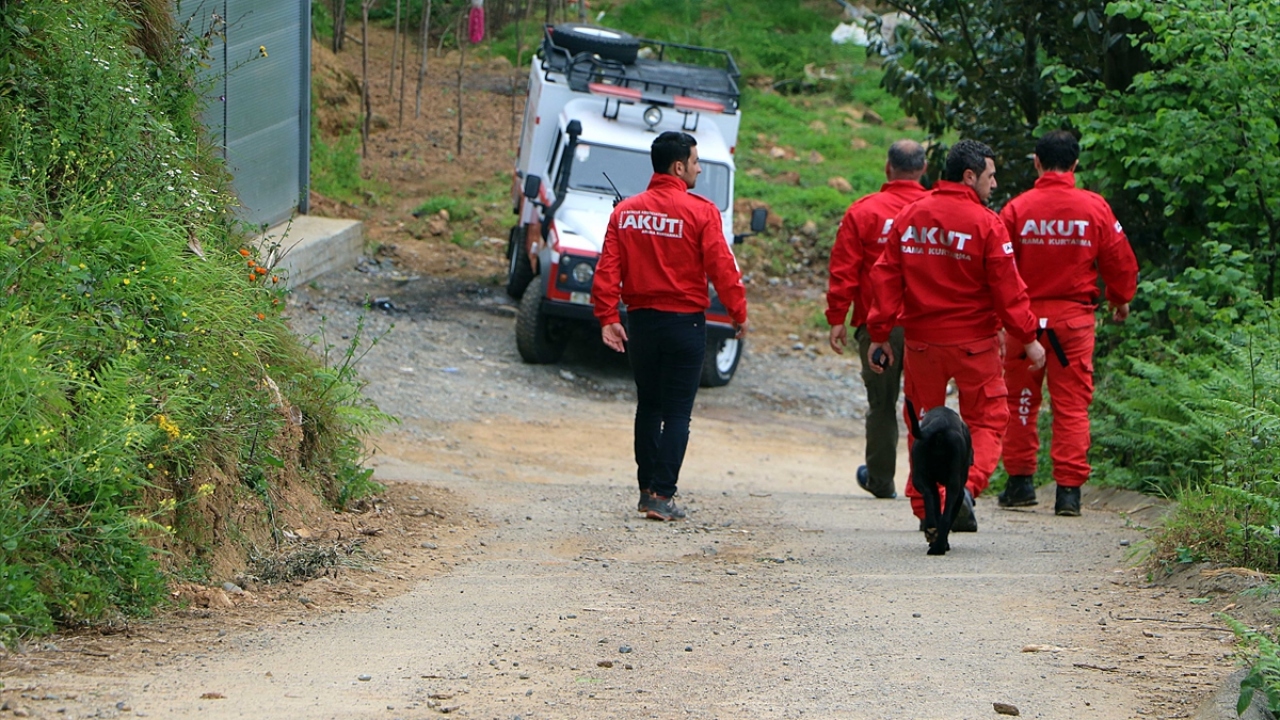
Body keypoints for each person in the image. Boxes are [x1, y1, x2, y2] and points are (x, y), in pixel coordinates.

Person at [866, 139, 1047, 532]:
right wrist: (1028, 337)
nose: (995, 184)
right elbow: (1009, 290)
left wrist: (879, 333)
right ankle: (962, 489)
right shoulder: (987, 223)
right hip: (974, 347)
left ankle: (928, 510)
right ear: (969, 176)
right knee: (987, 422)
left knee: (922, 427)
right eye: (990, 176)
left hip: (921, 346)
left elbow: (884, 276)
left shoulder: (910, 216)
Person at [591, 130, 749, 522]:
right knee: (678, 413)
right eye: (696, 162)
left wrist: (608, 317)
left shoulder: (625, 212)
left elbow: (607, 270)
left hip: (641, 324)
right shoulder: (702, 211)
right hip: (685, 326)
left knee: (648, 406)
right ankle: (663, 494)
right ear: (679, 166)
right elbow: (723, 268)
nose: (698, 168)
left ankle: (647, 491)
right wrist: (738, 313)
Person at [995, 130, 1139, 516]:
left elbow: (998, 269)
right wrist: (1120, 300)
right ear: (1075, 165)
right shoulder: (1094, 208)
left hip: (1023, 323)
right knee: (1071, 406)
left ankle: (1020, 483)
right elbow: (1120, 261)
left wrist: (998, 316)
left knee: (1021, 401)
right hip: (1073, 322)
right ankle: (1069, 494)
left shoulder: (1016, 210)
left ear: (1037, 162)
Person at [825, 140, 929, 500]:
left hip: (876, 327)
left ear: (888, 168)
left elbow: (844, 270)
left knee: (881, 405)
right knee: (924, 406)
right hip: (928, 326)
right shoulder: (936, 212)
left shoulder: (863, 212)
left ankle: (881, 479)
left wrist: (837, 317)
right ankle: (926, 482)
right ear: (924, 169)